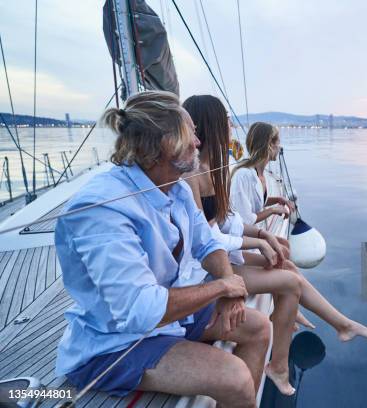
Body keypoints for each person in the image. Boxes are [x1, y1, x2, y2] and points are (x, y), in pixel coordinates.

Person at [54, 91, 269, 408]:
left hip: (168, 319)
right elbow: (140, 309)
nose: (198, 142)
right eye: (189, 134)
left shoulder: (176, 188)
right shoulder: (101, 209)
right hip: (115, 343)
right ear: (162, 145)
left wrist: (229, 288)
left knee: (260, 328)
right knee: (234, 377)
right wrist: (222, 285)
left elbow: (207, 243)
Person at [182, 95, 367, 394]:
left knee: (285, 263)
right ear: (211, 122)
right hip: (206, 269)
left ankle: (334, 324)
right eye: (224, 118)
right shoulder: (193, 175)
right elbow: (204, 239)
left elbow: (226, 222)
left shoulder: (215, 168)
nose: (230, 123)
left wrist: (263, 236)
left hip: (221, 255)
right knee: (289, 280)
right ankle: (281, 362)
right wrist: (258, 239)